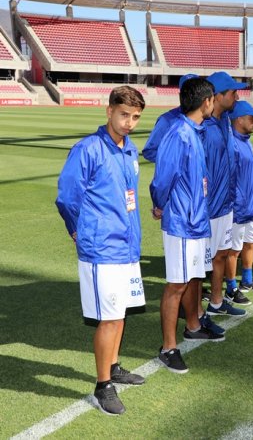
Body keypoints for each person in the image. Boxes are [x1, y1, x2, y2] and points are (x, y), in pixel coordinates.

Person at [56, 86, 147, 415]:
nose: (129, 122)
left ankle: (113, 366)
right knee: (108, 319)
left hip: (126, 246)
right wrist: (77, 229)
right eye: (124, 114)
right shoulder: (88, 149)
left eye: (135, 117)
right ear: (108, 111)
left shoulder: (130, 149)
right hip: (101, 248)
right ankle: (102, 386)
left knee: (119, 312)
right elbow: (67, 196)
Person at [150, 77, 224, 377]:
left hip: (196, 220)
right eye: (213, 99)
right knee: (176, 285)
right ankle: (168, 348)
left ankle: (193, 327)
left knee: (193, 277)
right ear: (206, 102)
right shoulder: (179, 133)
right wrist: (160, 203)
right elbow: (162, 178)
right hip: (181, 221)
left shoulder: (195, 130)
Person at [203, 71, 247, 317]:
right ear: (217, 96)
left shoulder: (224, 122)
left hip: (225, 204)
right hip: (209, 207)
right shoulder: (204, 127)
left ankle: (217, 303)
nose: (236, 96)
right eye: (232, 92)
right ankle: (194, 315)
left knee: (220, 256)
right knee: (201, 264)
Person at [226, 100, 253, 294]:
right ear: (239, 119)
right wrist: (237, 204)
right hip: (237, 207)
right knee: (233, 250)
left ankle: (247, 279)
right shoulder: (232, 145)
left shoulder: (245, 143)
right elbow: (230, 179)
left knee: (251, 242)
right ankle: (231, 287)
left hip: (249, 205)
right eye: (251, 118)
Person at [142, 73, 198, 162]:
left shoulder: (208, 119)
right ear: (180, 94)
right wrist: (177, 161)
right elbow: (150, 151)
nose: (192, 95)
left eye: (195, 90)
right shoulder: (167, 120)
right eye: (187, 91)